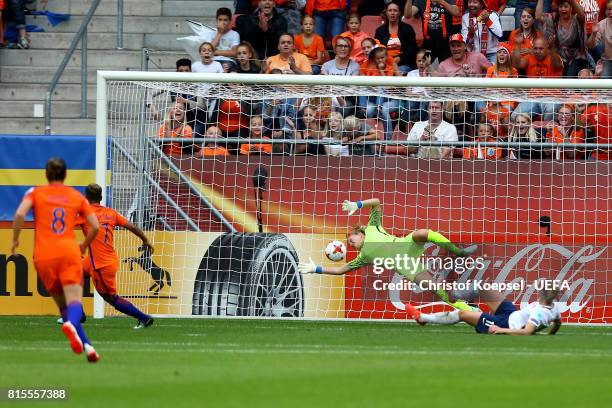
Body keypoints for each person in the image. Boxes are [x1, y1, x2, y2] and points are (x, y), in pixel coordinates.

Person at [298, 198, 477, 311]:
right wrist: (316, 269)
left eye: (350, 238)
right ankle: (468, 309)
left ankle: (458, 252)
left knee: (422, 233)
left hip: (406, 245)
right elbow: (340, 270)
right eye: (348, 243)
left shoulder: (373, 226)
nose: (349, 243)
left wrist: (357, 204)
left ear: (360, 233)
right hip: (405, 266)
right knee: (438, 290)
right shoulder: (362, 258)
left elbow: (376, 202)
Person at [11, 158, 100, 362]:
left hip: (43, 255)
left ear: (47, 174)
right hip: (68, 252)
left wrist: (15, 241)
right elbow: (94, 226)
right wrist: (84, 245)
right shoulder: (76, 196)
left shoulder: (35, 193)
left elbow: (19, 214)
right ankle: (71, 326)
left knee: (64, 307)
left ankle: (88, 347)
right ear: (65, 174)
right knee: (75, 301)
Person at [70, 184, 154, 329]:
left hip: (101, 265)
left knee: (111, 299)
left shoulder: (85, 214)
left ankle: (144, 318)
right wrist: (145, 240)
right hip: (100, 259)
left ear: (86, 197)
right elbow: (132, 227)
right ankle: (79, 314)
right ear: (101, 197)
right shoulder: (111, 213)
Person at [416, 280, 563, 335]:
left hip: (504, 324)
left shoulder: (539, 313)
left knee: (462, 314)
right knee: (483, 288)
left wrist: (500, 330)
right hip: (511, 313)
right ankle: (454, 294)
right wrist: (550, 333)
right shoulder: (554, 307)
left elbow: (527, 332)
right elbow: (557, 323)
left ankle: (423, 318)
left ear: (541, 292)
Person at [511, 37, 563, 120]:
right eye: (535, 48)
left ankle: (548, 133)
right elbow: (516, 64)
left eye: (541, 49)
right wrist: (517, 45)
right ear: (532, 48)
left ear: (547, 48)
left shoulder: (554, 57)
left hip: (552, 97)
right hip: (533, 97)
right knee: (514, 116)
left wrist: (552, 47)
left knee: (551, 110)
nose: (538, 51)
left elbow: (557, 64)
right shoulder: (529, 58)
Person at [536, 0, 588, 77]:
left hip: (577, 56)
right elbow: (538, 16)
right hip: (559, 56)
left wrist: (572, 1)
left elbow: (582, 15)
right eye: (560, 7)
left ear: (571, 8)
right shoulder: (553, 19)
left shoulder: (576, 19)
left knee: (569, 77)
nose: (563, 9)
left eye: (566, 6)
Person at [375, 1, 418, 73]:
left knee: (400, 71)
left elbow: (412, 50)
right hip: (384, 64)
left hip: (403, 64)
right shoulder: (380, 30)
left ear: (399, 13)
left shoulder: (407, 29)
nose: (392, 13)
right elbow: (377, 49)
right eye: (390, 10)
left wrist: (400, 58)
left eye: (395, 10)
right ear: (386, 13)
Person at [587, 1, 612, 78]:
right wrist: (594, 33)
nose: (611, 12)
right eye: (609, 9)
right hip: (607, 60)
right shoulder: (601, 24)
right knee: (603, 86)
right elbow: (590, 46)